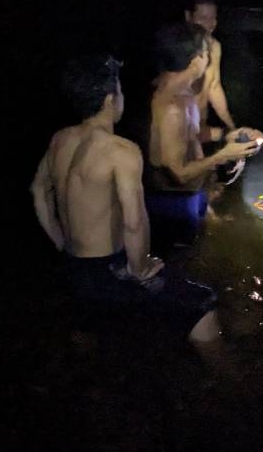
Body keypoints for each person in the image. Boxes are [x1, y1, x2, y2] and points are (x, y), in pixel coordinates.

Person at [29, 54, 221, 346]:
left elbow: (38, 192)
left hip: (74, 266)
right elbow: (134, 221)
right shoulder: (120, 150)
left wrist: (60, 241)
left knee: (94, 325)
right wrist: (139, 268)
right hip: (109, 268)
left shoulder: (60, 139)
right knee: (203, 303)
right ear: (110, 99)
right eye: (119, 90)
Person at [146, 22, 263, 246]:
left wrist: (226, 135)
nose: (208, 58)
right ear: (196, 60)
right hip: (175, 203)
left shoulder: (184, 94)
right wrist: (223, 155)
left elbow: (188, 136)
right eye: (205, 52)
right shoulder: (170, 106)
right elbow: (178, 173)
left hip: (192, 193)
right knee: (188, 254)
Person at [184, 0, 237, 135]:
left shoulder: (215, 46)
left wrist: (232, 127)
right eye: (203, 18)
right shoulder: (178, 51)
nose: (209, 24)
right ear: (188, 16)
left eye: (213, 18)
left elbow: (214, 86)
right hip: (179, 128)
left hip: (200, 126)